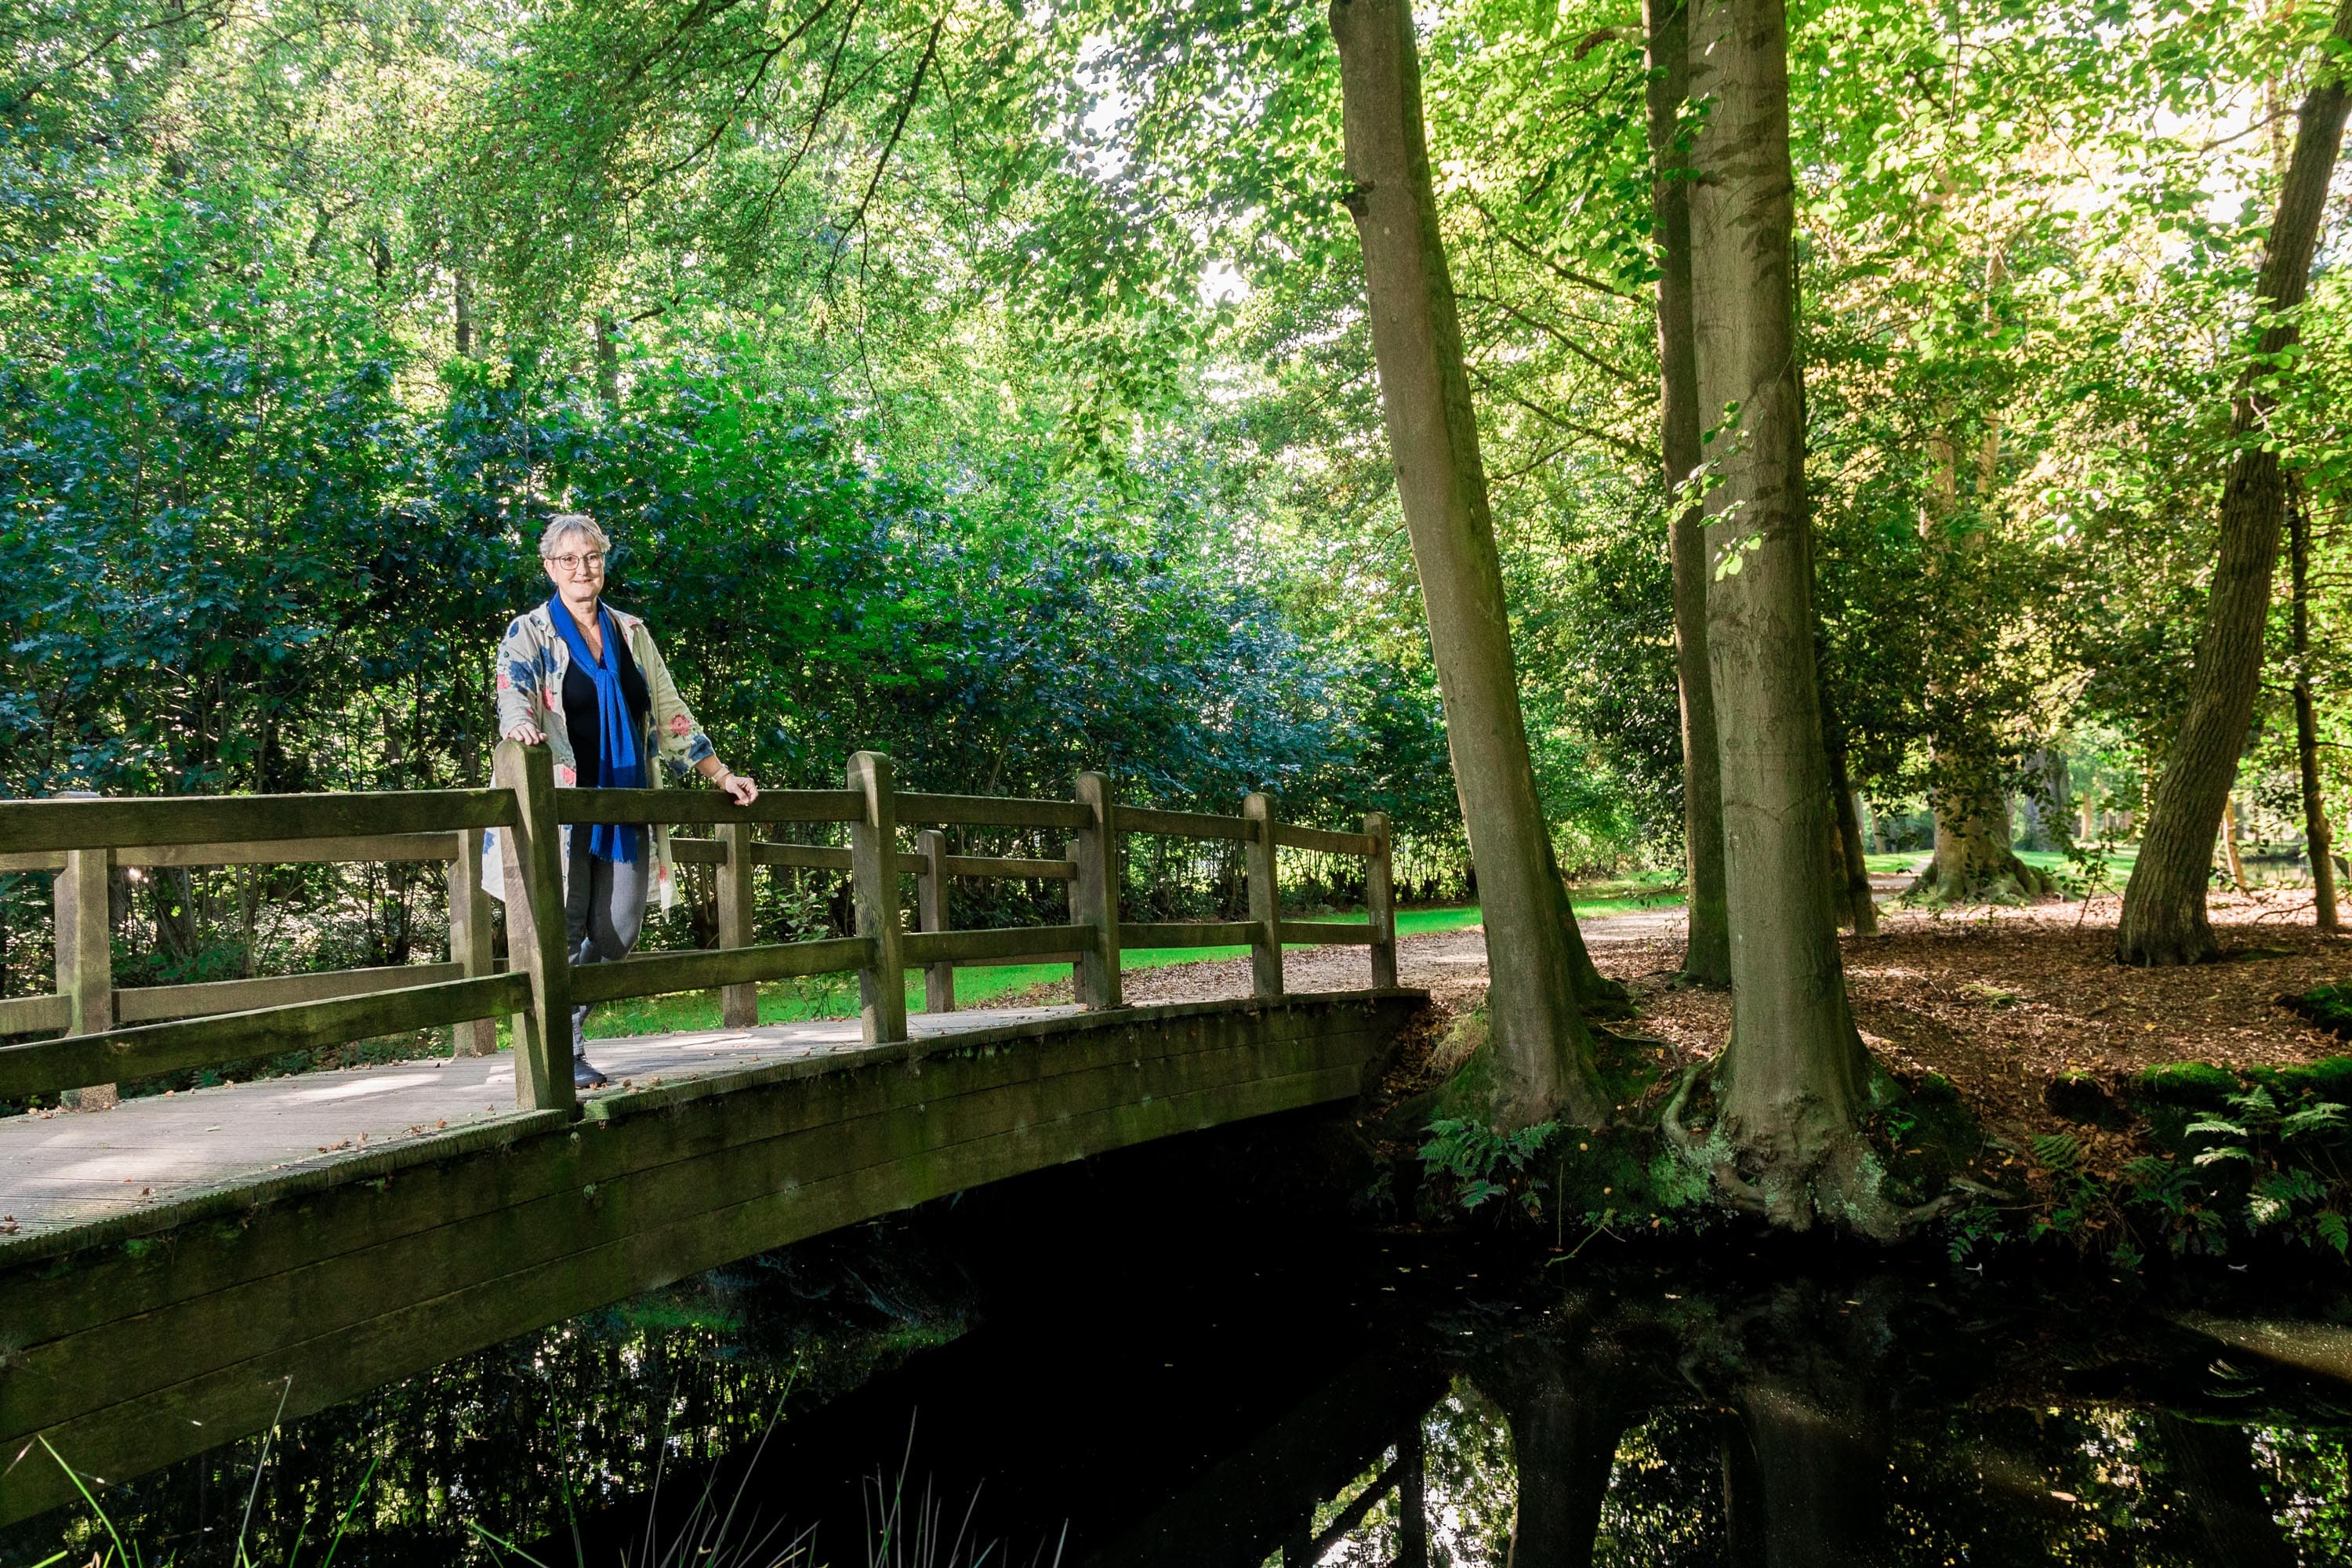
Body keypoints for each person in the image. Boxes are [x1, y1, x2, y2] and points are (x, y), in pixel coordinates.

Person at [492, 513, 759, 1087]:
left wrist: (720, 775)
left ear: (604, 563)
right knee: (562, 927)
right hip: (561, 808)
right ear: (550, 568)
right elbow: (512, 691)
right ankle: (564, 1050)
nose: (582, 568)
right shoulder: (529, 632)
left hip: (627, 802)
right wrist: (520, 729)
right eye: (569, 559)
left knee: (618, 932)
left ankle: (563, 1020)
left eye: (592, 557)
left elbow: (670, 712)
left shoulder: (632, 632)